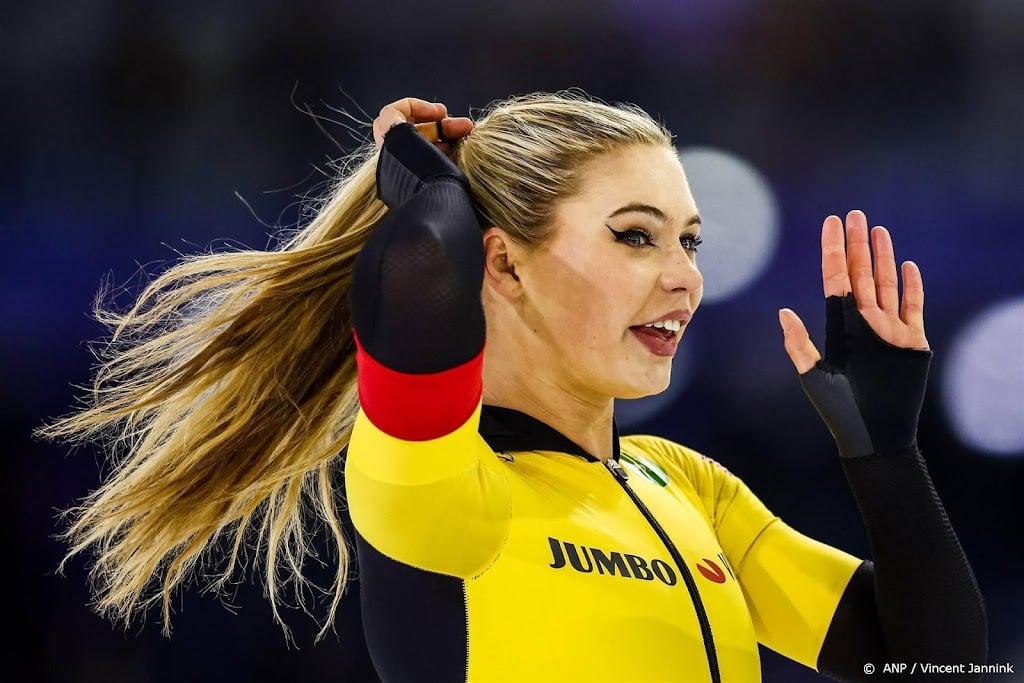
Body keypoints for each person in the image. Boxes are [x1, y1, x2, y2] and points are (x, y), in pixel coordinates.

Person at [39, 90, 987, 682]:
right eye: (635, 234)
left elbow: (937, 665)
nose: (686, 275)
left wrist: (887, 453)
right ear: (503, 261)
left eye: (689, 240)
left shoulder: (686, 487)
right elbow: (420, 277)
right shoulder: (437, 490)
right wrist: (426, 185)